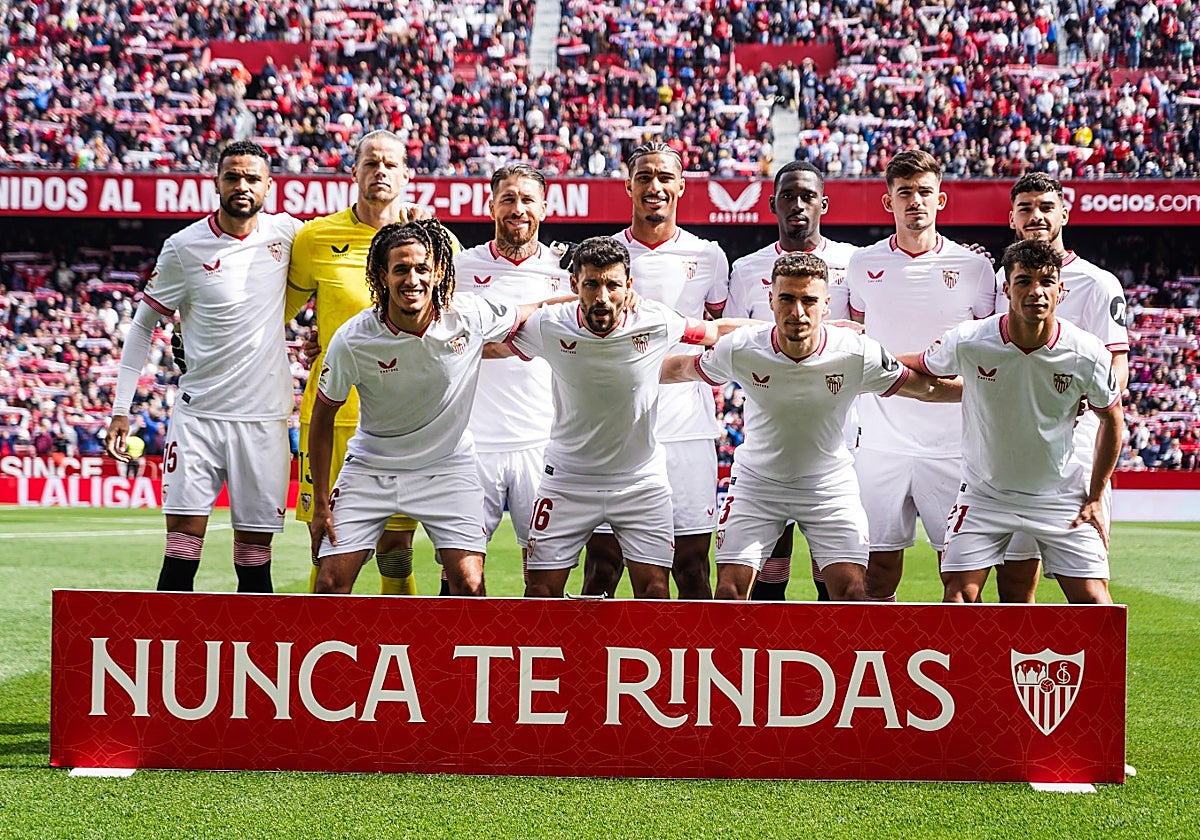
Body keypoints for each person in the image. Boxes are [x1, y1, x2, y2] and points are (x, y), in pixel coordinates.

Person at [662, 253, 961, 601]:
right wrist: (620, 366)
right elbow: (679, 369)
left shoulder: (856, 353)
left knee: (853, 593)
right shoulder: (741, 348)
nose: (798, 312)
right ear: (771, 300)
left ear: (827, 305)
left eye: (809, 301)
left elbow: (926, 388)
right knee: (729, 592)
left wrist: (988, 390)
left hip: (828, 485)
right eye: (787, 299)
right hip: (758, 485)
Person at [307, 220, 565, 595]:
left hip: (447, 468)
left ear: (439, 272)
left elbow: (534, 309)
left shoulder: (469, 315)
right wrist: (320, 505)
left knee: (469, 583)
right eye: (401, 269)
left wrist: (594, 302)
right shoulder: (354, 339)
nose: (412, 279)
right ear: (382, 276)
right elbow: (322, 416)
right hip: (371, 468)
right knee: (330, 582)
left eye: (422, 268)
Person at [502, 237, 752, 599]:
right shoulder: (549, 323)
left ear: (629, 286)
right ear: (574, 285)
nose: (602, 296)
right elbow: (491, 336)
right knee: (540, 590)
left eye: (613, 285)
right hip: (567, 480)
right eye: (591, 284)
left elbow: (714, 332)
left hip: (640, 483)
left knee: (655, 591)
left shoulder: (655, 320)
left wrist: (798, 332)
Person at [106, 140, 302, 593]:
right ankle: (165, 642)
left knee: (254, 560)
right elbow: (142, 327)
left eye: (252, 178)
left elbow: (343, 252)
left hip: (263, 420)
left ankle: (252, 642)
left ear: (269, 186)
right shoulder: (183, 247)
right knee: (180, 551)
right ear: (216, 182)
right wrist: (120, 409)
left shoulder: (289, 234)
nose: (242, 186)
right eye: (232, 176)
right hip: (198, 418)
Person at [899, 240, 1123, 604]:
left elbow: (1112, 419)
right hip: (985, 495)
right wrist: (865, 361)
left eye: (1046, 281)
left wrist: (1096, 496)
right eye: (1024, 281)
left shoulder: (1087, 352)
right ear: (1006, 288)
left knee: (1096, 603)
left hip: (1059, 496)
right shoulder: (970, 339)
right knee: (958, 597)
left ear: (1061, 290)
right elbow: (921, 363)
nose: (1036, 291)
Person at [286, 130, 437, 596]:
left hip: (402, 421)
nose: (380, 172)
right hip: (330, 416)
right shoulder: (315, 237)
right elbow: (275, 312)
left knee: (396, 549)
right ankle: (319, 640)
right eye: (371, 163)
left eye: (390, 164)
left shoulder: (434, 241)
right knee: (325, 543)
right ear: (354, 172)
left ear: (407, 175)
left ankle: (397, 639)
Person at [842, 150, 997, 602]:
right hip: (880, 444)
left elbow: (986, 349)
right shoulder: (862, 264)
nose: (915, 201)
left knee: (961, 577)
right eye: (905, 192)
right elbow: (862, 335)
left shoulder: (974, 268)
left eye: (925, 192)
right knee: (877, 572)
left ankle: (956, 651)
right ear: (888, 201)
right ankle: (877, 649)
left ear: (940, 199)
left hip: (953, 445)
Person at [583, 142, 730, 600]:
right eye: (644, 176)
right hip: (615, 431)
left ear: (681, 186)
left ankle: (691, 651)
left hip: (686, 429)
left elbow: (718, 331)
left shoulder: (708, 256)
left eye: (665, 177)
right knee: (603, 567)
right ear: (628, 186)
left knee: (692, 568)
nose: (655, 186)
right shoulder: (605, 257)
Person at [726, 160, 858, 602]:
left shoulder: (853, 262)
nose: (797, 205)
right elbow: (735, 339)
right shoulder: (747, 269)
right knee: (769, 572)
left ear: (824, 203)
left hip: (835, 439)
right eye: (788, 196)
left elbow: (866, 334)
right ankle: (769, 647)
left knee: (832, 575)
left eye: (807, 196)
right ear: (772, 205)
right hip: (770, 438)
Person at [996, 173, 1130, 602]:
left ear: (1064, 214)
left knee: (1089, 587)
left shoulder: (1098, 282)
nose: (1035, 216)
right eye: (1025, 208)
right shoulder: (1001, 278)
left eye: (1046, 207)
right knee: (1015, 581)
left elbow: (1118, 363)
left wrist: (1089, 398)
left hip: (1078, 449)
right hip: (1015, 446)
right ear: (1012, 218)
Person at [456, 164, 568, 576]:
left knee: (541, 575)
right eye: (508, 199)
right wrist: (524, 341)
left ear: (544, 208)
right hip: (473, 442)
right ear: (491, 206)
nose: (517, 208)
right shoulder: (461, 268)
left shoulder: (566, 272)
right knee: (461, 574)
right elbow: (450, 343)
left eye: (527, 200)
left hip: (542, 441)